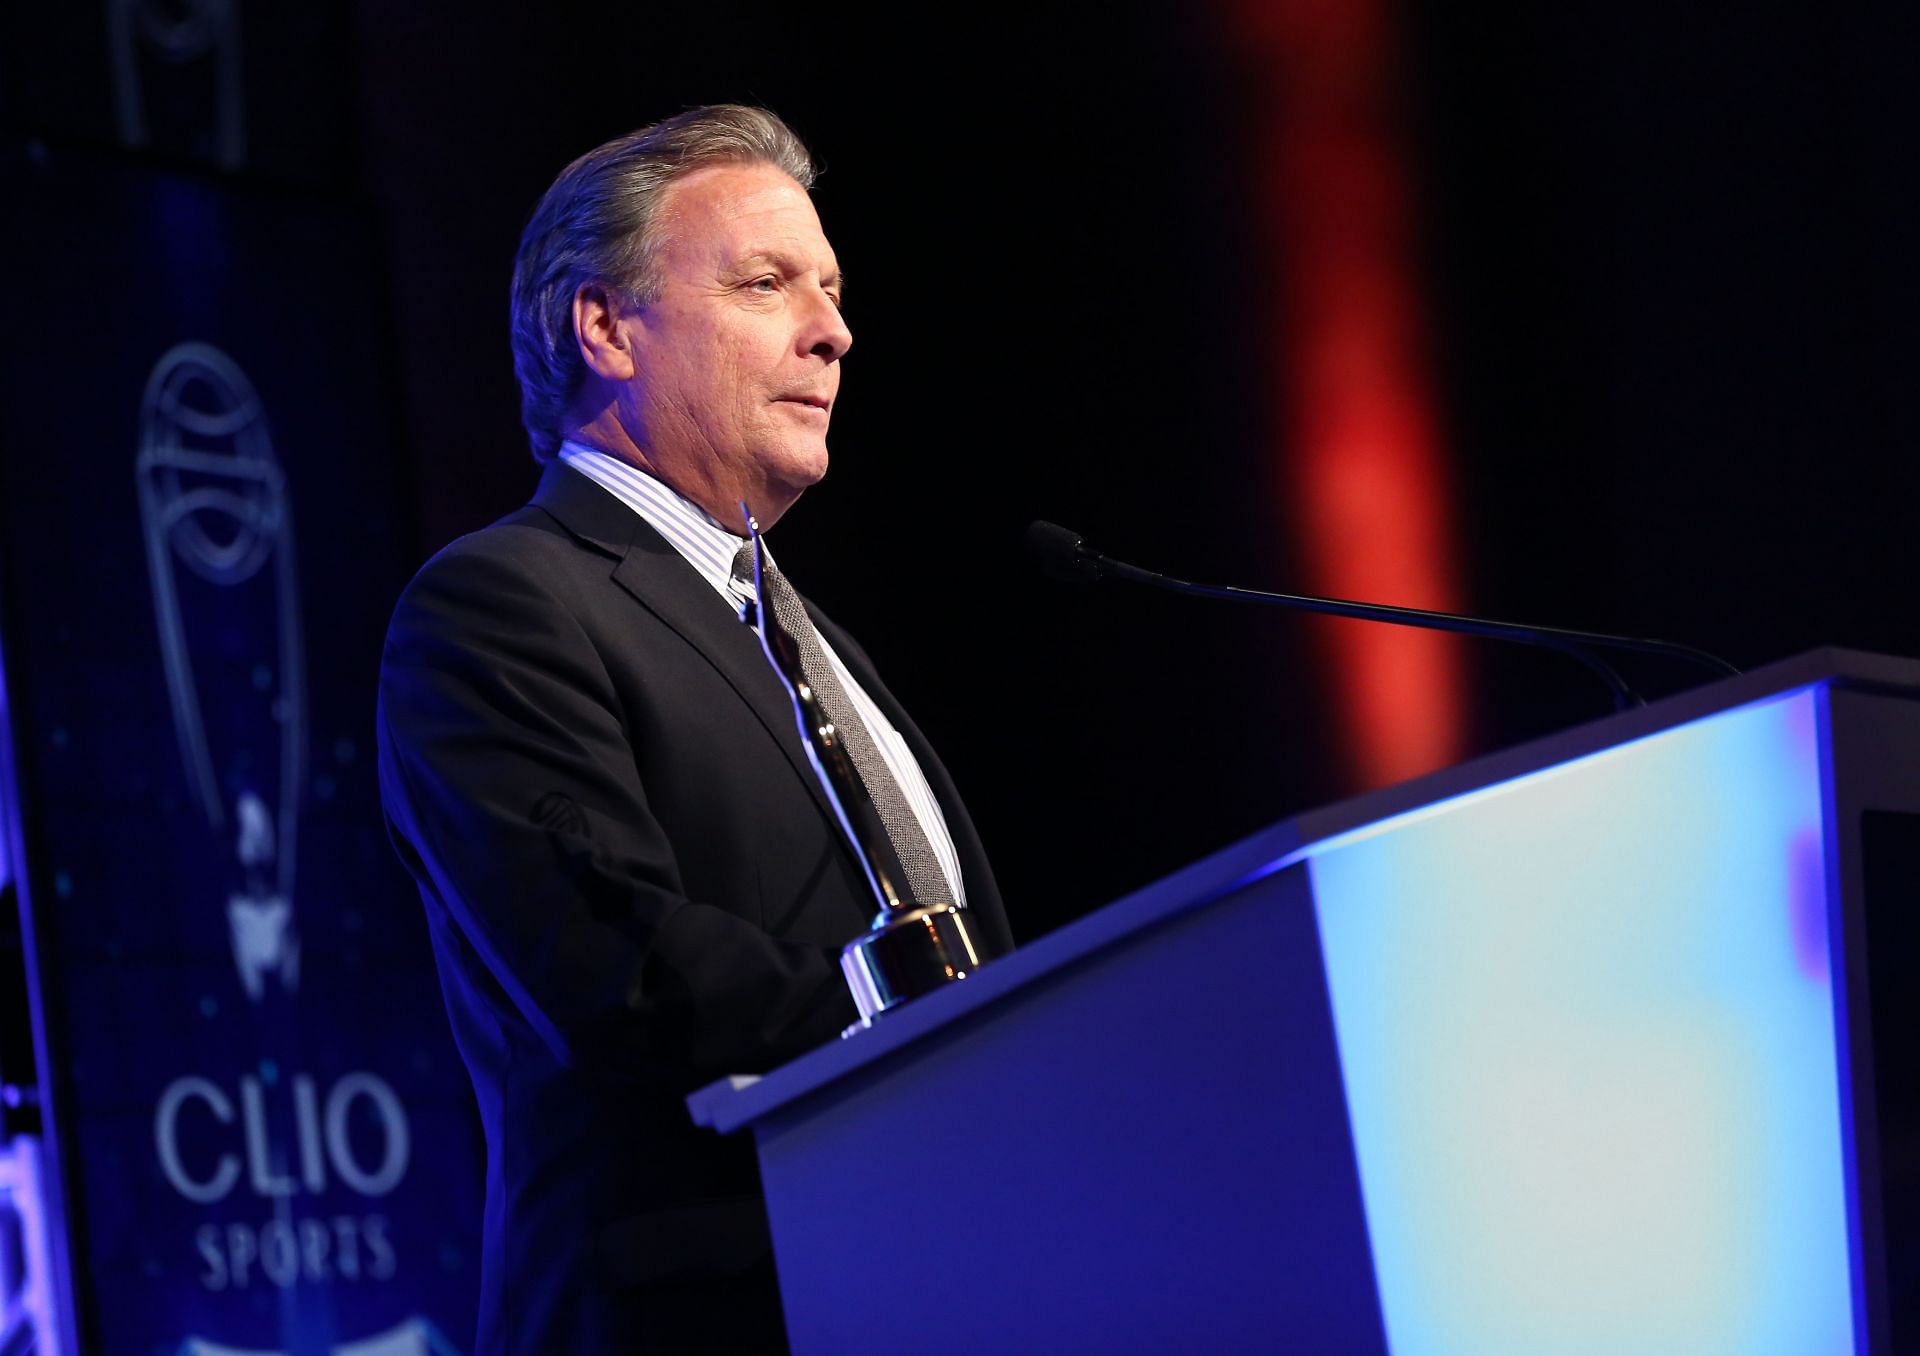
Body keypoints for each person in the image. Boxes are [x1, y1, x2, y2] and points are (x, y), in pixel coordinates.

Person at [376, 105, 1012, 1354]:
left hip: (944, 1280)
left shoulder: (809, 635)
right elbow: (628, 976)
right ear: (605, 328)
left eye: (828, 291)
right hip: (705, 1311)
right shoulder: (501, 604)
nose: (832, 332)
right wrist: (959, 1029)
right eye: (766, 284)